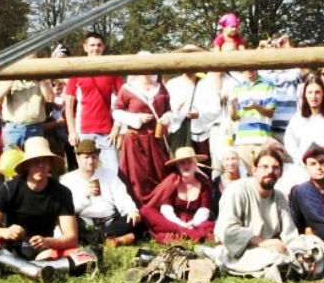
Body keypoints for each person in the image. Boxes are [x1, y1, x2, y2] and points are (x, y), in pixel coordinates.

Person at [0, 136, 79, 264]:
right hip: (10, 248)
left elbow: (72, 238)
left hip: (46, 249)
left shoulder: (63, 193)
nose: (40, 165)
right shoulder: (9, 189)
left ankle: (38, 264)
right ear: (27, 165)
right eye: (35, 161)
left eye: (45, 161)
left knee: (77, 254)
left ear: (50, 165)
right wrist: (5, 232)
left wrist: (48, 242)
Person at [208, 146, 299, 278]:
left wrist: (297, 250)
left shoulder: (279, 197)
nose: (270, 171)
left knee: (313, 244)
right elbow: (226, 231)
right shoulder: (237, 190)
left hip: (273, 248)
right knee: (275, 259)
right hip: (240, 250)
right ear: (254, 169)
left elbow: (290, 234)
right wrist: (260, 242)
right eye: (264, 167)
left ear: (280, 173)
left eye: (275, 168)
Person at [61, 139, 143, 246]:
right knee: (71, 223)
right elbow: (67, 211)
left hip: (110, 222)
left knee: (136, 219)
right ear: (77, 158)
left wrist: (131, 210)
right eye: (86, 157)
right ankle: (114, 239)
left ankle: (99, 238)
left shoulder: (109, 174)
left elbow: (122, 196)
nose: (90, 161)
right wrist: (85, 196)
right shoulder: (67, 180)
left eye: (93, 157)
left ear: (98, 157)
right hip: (86, 222)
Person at [64, 32, 123, 177]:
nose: (95, 48)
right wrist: (72, 131)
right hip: (84, 131)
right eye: (92, 45)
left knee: (112, 173)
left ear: (104, 47)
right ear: (85, 47)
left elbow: (122, 100)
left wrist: (116, 127)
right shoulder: (77, 70)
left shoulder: (112, 70)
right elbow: (69, 104)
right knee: (87, 174)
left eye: (98, 45)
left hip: (107, 132)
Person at [113, 70, 171, 204]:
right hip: (135, 142)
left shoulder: (160, 88)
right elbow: (116, 111)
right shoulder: (127, 89)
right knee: (137, 177)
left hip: (156, 140)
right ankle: (138, 209)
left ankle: (159, 206)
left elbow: (169, 110)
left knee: (161, 174)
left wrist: (166, 118)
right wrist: (136, 119)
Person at [141, 146, 215, 243]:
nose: (186, 165)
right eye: (182, 163)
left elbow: (204, 210)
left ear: (195, 164)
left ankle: (181, 236)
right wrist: (181, 226)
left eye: (189, 162)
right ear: (177, 166)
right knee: (146, 211)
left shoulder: (204, 183)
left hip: (195, 222)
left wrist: (193, 223)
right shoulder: (172, 181)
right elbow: (166, 210)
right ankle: (192, 235)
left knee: (209, 225)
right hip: (174, 222)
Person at [163, 45, 222, 163]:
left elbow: (216, 110)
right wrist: (178, 111)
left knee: (203, 171)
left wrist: (199, 114)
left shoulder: (207, 84)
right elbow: (166, 112)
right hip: (178, 136)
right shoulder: (172, 84)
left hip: (201, 136)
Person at [283, 73, 324, 166]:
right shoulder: (297, 118)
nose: (314, 96)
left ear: (323, 94)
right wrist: (302, 160)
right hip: (305, 167)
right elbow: (290, 143)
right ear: (305, 95)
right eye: (310, 92)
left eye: (317, 92)